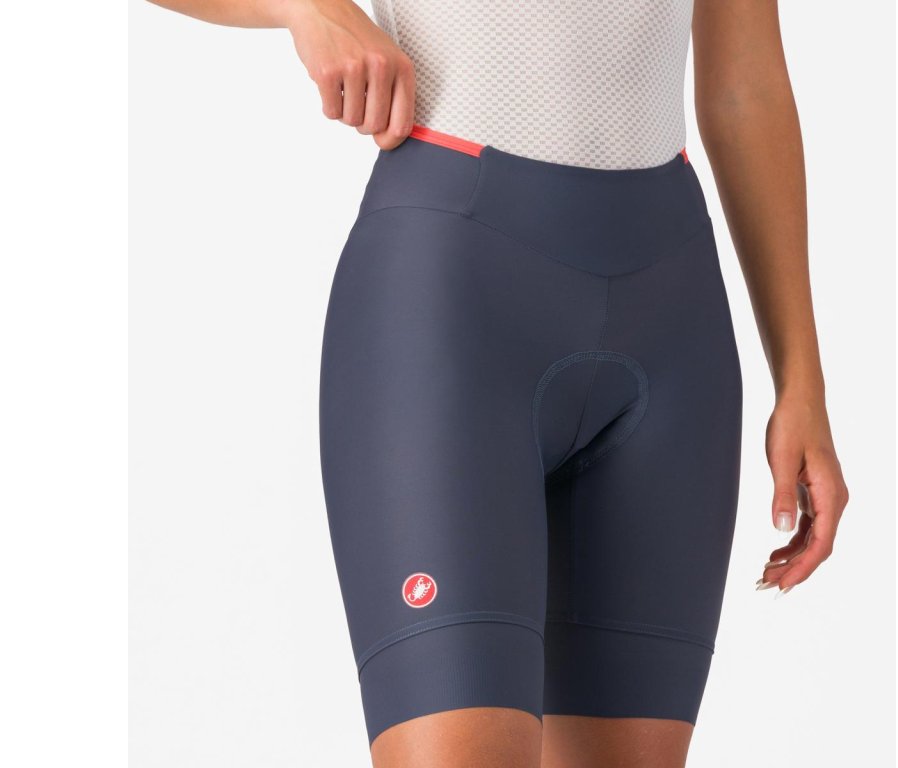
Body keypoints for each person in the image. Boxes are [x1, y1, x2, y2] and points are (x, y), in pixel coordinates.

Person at [146, 0, 850, 765]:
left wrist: (801, 380)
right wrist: (304, 7)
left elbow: (746, 84)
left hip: (673, 319)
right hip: (453, 306)